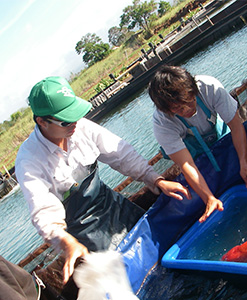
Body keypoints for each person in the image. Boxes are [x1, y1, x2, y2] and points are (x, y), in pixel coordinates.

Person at [15, 76, 190, 284]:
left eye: (75, 115)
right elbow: (42, 208)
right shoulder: (29, 160)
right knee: (127, 284)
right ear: (42, 122)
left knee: (164, 255)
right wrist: (64, 240)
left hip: (117, 209)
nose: (74, 124)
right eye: (66, 120)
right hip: (85, 236)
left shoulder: (80, 128)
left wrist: (156, 179)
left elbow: (121, 153)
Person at [149, 65, 247, 223]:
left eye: (189, 101)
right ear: (166, 110)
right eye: (178, 108)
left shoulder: (209, 87)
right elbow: (186, 163)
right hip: (193, 151)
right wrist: (208, 198)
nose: (186, 109)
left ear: (193, 89)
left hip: (219, 132)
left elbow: (235, 126)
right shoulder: (162, 122)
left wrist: (244, 162)